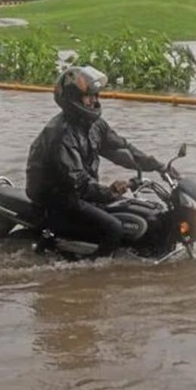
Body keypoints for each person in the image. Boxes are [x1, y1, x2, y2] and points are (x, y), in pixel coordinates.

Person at [25, 65, 169, 258]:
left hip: (80, 192)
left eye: (96, 95)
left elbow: (122, 148)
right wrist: (110, 191)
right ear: (73, 99)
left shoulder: (94, 125)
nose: (94, 101)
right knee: (115, 228)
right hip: (58, 196)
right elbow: (77, 181)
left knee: (135, 211)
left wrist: (158, 166)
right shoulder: (61, 135)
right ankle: (93, 272)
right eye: (89, 96)